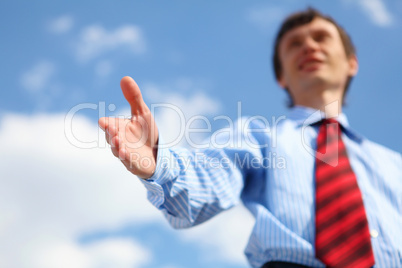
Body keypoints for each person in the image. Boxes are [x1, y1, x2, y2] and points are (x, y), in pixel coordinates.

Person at [98, 8, 402, 268]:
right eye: (294, 44)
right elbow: (205, 180)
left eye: (321, 37)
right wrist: (158, 161)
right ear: (281, 76)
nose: (309, 46)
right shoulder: (257, 138)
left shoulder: (394, 164)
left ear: (352, 63)